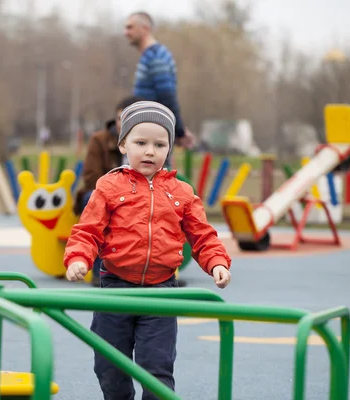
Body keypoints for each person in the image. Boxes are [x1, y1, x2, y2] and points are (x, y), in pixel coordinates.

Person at [64, 101, 231, 399]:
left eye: (160, 144)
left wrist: (217, 262)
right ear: (124, 144)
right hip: (116, 289)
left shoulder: (181, 192)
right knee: (109, 368)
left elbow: (203, 235)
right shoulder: (109, 186)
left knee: (157, 369)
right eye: (141, 143)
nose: (150, 151)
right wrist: (78, 257)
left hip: (161, 293)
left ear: (169, 148)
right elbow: (88, 230)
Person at [74, 95, 143, 286]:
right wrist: (120, 195)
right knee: (94, 201)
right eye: (121, 118)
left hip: (141, 195)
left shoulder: (149, 141)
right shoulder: (100, 140)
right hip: (104, 193)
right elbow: (91, 177)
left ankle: (158, 271)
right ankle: (99, 271)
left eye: (130, 118)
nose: (124, 123)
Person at [124, 11, 196, 159]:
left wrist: (179, 131)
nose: (126, 32)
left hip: (154, 134)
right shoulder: (149, 56)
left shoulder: (156, 56)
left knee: (158, 178)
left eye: (130, 27)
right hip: (147, 131)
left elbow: (167, 95)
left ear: (145, 28)